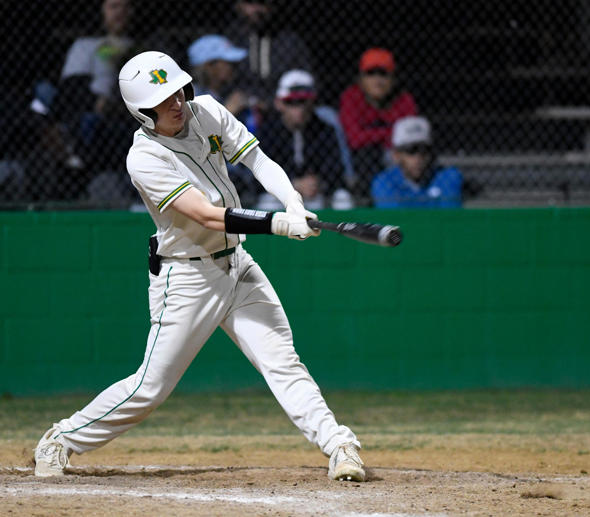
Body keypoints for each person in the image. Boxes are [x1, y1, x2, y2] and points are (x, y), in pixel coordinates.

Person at [32, 51, 365, 483]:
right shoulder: (145, 157)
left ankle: (339, 445)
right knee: (150, 387)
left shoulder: (204, 110)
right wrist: (279, 224)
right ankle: (61, 438)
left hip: (237, 266)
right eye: (163, 101)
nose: (176, 104)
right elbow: (206, 214)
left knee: (283, 362)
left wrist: (292, 200)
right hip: (187, 277)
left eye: (178, 91)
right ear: (142, 114)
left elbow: (257, 160)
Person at [29, 0, 138, 199]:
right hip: (83, 108)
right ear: (102, 12)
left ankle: (72, 152)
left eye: (125, 6)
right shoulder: (85, 45)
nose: (120, 12)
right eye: (113, 6)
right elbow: (72, 86)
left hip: (120, 111)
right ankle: (69, 148)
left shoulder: (142, 47)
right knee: (44, 94)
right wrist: (95, 102)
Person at [256, 70, 352, 210]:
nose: (299, 109)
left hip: (316, 195)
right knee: (268, 203)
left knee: (342, 198)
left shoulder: (324, 130)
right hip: (279, 194)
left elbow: (336, 172)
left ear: (312, 103)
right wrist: (294, 184)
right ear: (279, 103)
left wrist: (318, 183)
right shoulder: (268, 132)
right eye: (291, 102)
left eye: (303, 102)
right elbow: (258, 175)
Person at [339, 47, 418, 201]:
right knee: (366, 154)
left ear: (393, 78)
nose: (377, 80)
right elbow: (354, 139)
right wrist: (391, 133)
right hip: (361, 160)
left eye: (383, 74)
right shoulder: (351, 97)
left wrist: (371, 134)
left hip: (396, 157)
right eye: (371, 74)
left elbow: (411, 139)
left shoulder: (404, 100)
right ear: (361, 78)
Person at [225, 0, 313, 118]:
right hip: (239, 108)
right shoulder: (231, 39)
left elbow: (304, 82)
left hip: (280, 110)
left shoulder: (289, 41)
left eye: (261, 3)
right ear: (239, 5)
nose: (256, 10)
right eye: (250, 3)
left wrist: (273, 103)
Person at [371, 116, 462, 208]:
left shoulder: (448, 176)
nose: (418, 157)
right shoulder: (384, 182)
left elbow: (450, 217)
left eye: (424, 149)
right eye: (411, 150)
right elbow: (395, 219)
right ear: (396, 155)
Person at [188, 34, 249, 117]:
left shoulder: (222, 94)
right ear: (209, 66)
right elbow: (198, 129)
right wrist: (228, 111)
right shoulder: (192, 96)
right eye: (228, 63)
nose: (234, 68)